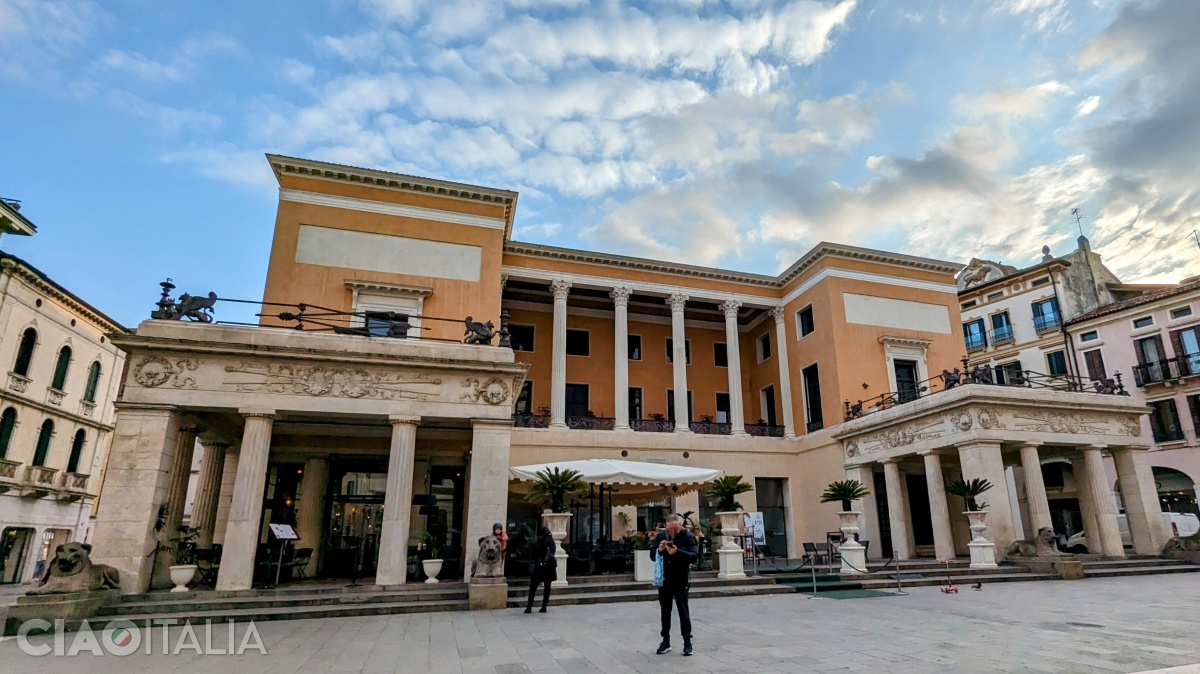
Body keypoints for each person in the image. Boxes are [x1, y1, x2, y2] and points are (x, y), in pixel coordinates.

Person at [650, 513, 698, 656]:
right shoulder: (660, 536)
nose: (672, 532)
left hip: (681, 578)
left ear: (680, 526)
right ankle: (665, 640)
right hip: (665, 579)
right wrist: (659, 549)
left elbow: (694, 557)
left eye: (675, 529)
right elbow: (652, 556)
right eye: (670, 529)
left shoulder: (688, 537)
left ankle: (687, 641)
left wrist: (677, 552)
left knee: (683, 610)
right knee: (665, 610)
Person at [525, 525, 556, 613]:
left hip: (538, 566)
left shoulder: (538, 541)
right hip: (549, 566)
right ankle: (544, 606)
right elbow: (552, 553)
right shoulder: (551, 542)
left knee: (533, 587)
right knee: (547, 587)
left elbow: (533, 554)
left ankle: (529, 607)